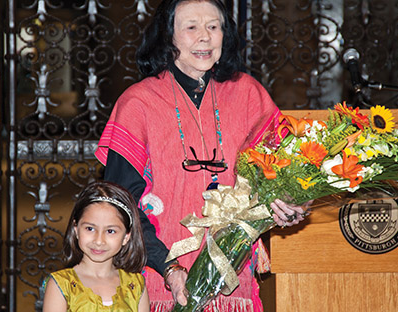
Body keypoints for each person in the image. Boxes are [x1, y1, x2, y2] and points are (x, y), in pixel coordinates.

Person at [95, 0, 308, 310]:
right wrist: (168, 267)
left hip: (232, 277)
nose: (205, 37)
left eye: (213, 26)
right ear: (168, 37)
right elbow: (119, 203)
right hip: (156, 274)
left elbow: (291, 168)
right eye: (191, 27)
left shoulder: (249, 94)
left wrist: (294, 202)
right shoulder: (137, 103)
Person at [42, 181, 150, 312]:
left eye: (110, 231)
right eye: (90, 229)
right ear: (76, 229)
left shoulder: (136, 286)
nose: (99, 241)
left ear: (126, 236)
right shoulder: (61, 285)